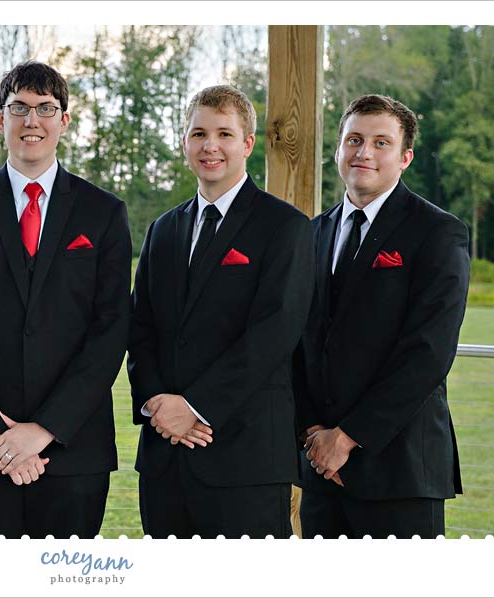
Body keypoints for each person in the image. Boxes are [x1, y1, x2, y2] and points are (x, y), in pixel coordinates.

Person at [0, 60, 131, 539]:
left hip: (73, 450)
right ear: (0, 119)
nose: (31, 120)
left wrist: (44, 429)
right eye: (19, 107)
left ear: (64, 119)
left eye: (45, 108)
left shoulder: (104, 213)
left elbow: (111, 331)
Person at [127, 85, 313, 538]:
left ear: (247, 144)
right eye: (198, 134)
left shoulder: (285, 227)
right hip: (165, 457)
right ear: (185, 143)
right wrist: (157, 405)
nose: (210, 146)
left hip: (244, 457)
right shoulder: (163, 229)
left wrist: (196, 407)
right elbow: (141, 326)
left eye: (224, 134)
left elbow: (274, 332)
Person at [293, 94, 470, 538]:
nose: (364, 152)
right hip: (322, 470)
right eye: (353, 139)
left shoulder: (437, 232)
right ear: (338, 149)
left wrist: (347, 437)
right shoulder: (314, 232)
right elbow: (299, 340)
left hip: (400, 470)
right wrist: (317, 434)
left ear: (405, 157)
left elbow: (428, 352)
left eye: (381, 142)